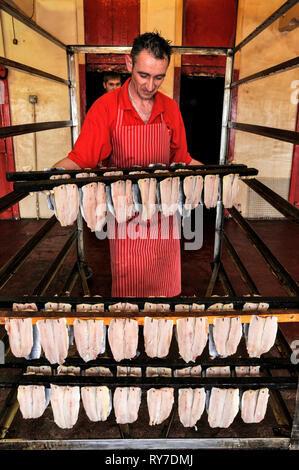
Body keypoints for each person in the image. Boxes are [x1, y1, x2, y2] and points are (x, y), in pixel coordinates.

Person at [53, 31, 202, 298]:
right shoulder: (106, 108)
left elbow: (182, 159)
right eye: (144, 75)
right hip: (125, 217)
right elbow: (80, 158)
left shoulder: (170, 109)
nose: (150, 85)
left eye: (159, 77)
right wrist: (52, 176)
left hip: (164, 216)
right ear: (129, 64)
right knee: (129, 299)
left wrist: (220, 175)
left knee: (165, 296)